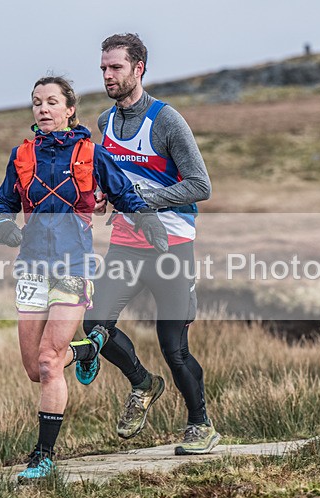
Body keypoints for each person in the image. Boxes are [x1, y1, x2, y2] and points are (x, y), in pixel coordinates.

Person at [0, 76, 167, 481]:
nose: (43, 109)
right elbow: (3, 203)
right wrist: (2, 227)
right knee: (34, 369)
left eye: (52, 102)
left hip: (73, 267)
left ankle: (43, 457)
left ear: (70, 109)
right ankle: (87, 351)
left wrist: (148, 222)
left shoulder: (91, 153)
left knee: (50, 362)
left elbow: (124, 194)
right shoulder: (21, 155)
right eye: (37, 102)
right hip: (32, 268)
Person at [83, 33, 220, 455]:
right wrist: (105, 197)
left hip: (171, 246)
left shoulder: (166, 121)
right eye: (103, 68)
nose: (108, 75)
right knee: (95, 324)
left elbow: (201, 186)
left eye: (116, 67)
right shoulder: (105, 123)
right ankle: (143, 383)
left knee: (174, 348)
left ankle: (200, 425)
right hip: (126, 243)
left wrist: (143, 198)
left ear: (139, 68)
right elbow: (115, 181)